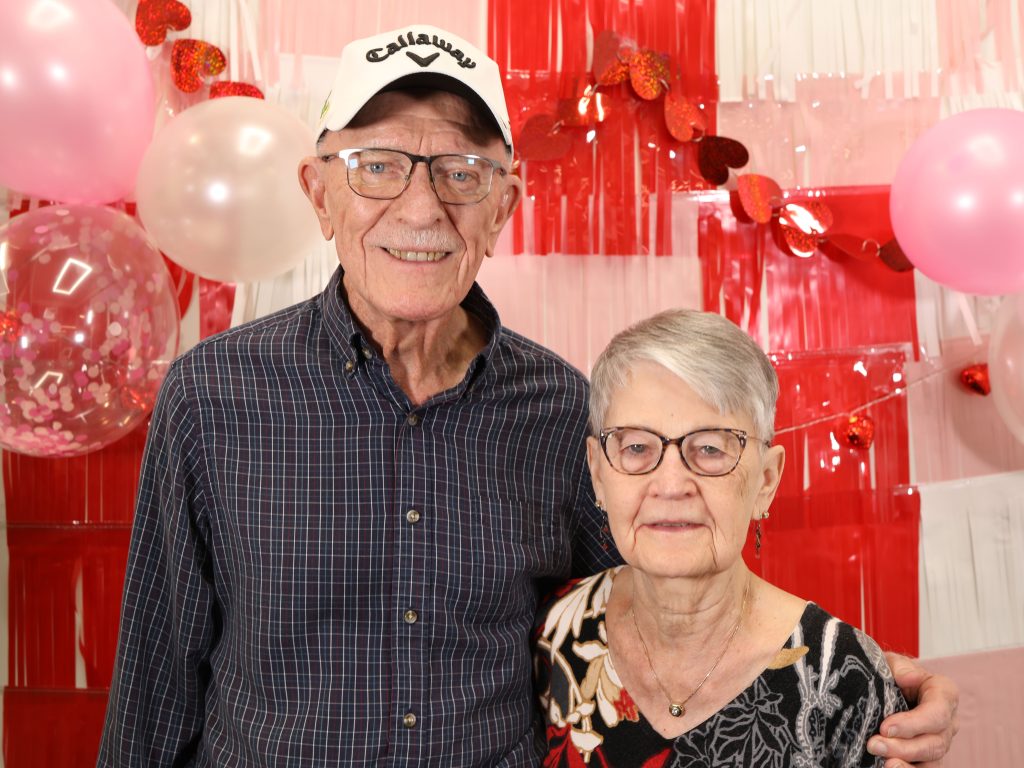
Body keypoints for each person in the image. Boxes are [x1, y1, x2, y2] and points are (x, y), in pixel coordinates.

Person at [98, 24, 957, 767]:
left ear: (504, 206)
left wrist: (861, 679)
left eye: (461, 172)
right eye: (378, 166)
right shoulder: (213, 395)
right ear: (319, 193)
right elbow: (155, 681)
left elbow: (671, 598)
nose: (421, 209)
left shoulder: (563, 410)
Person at [534, 309, 932, 767]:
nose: (671, 485)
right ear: (598, 473)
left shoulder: (844, 678)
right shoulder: (554, 631)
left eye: (710, 448)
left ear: (766, 480)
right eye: (637, 447)